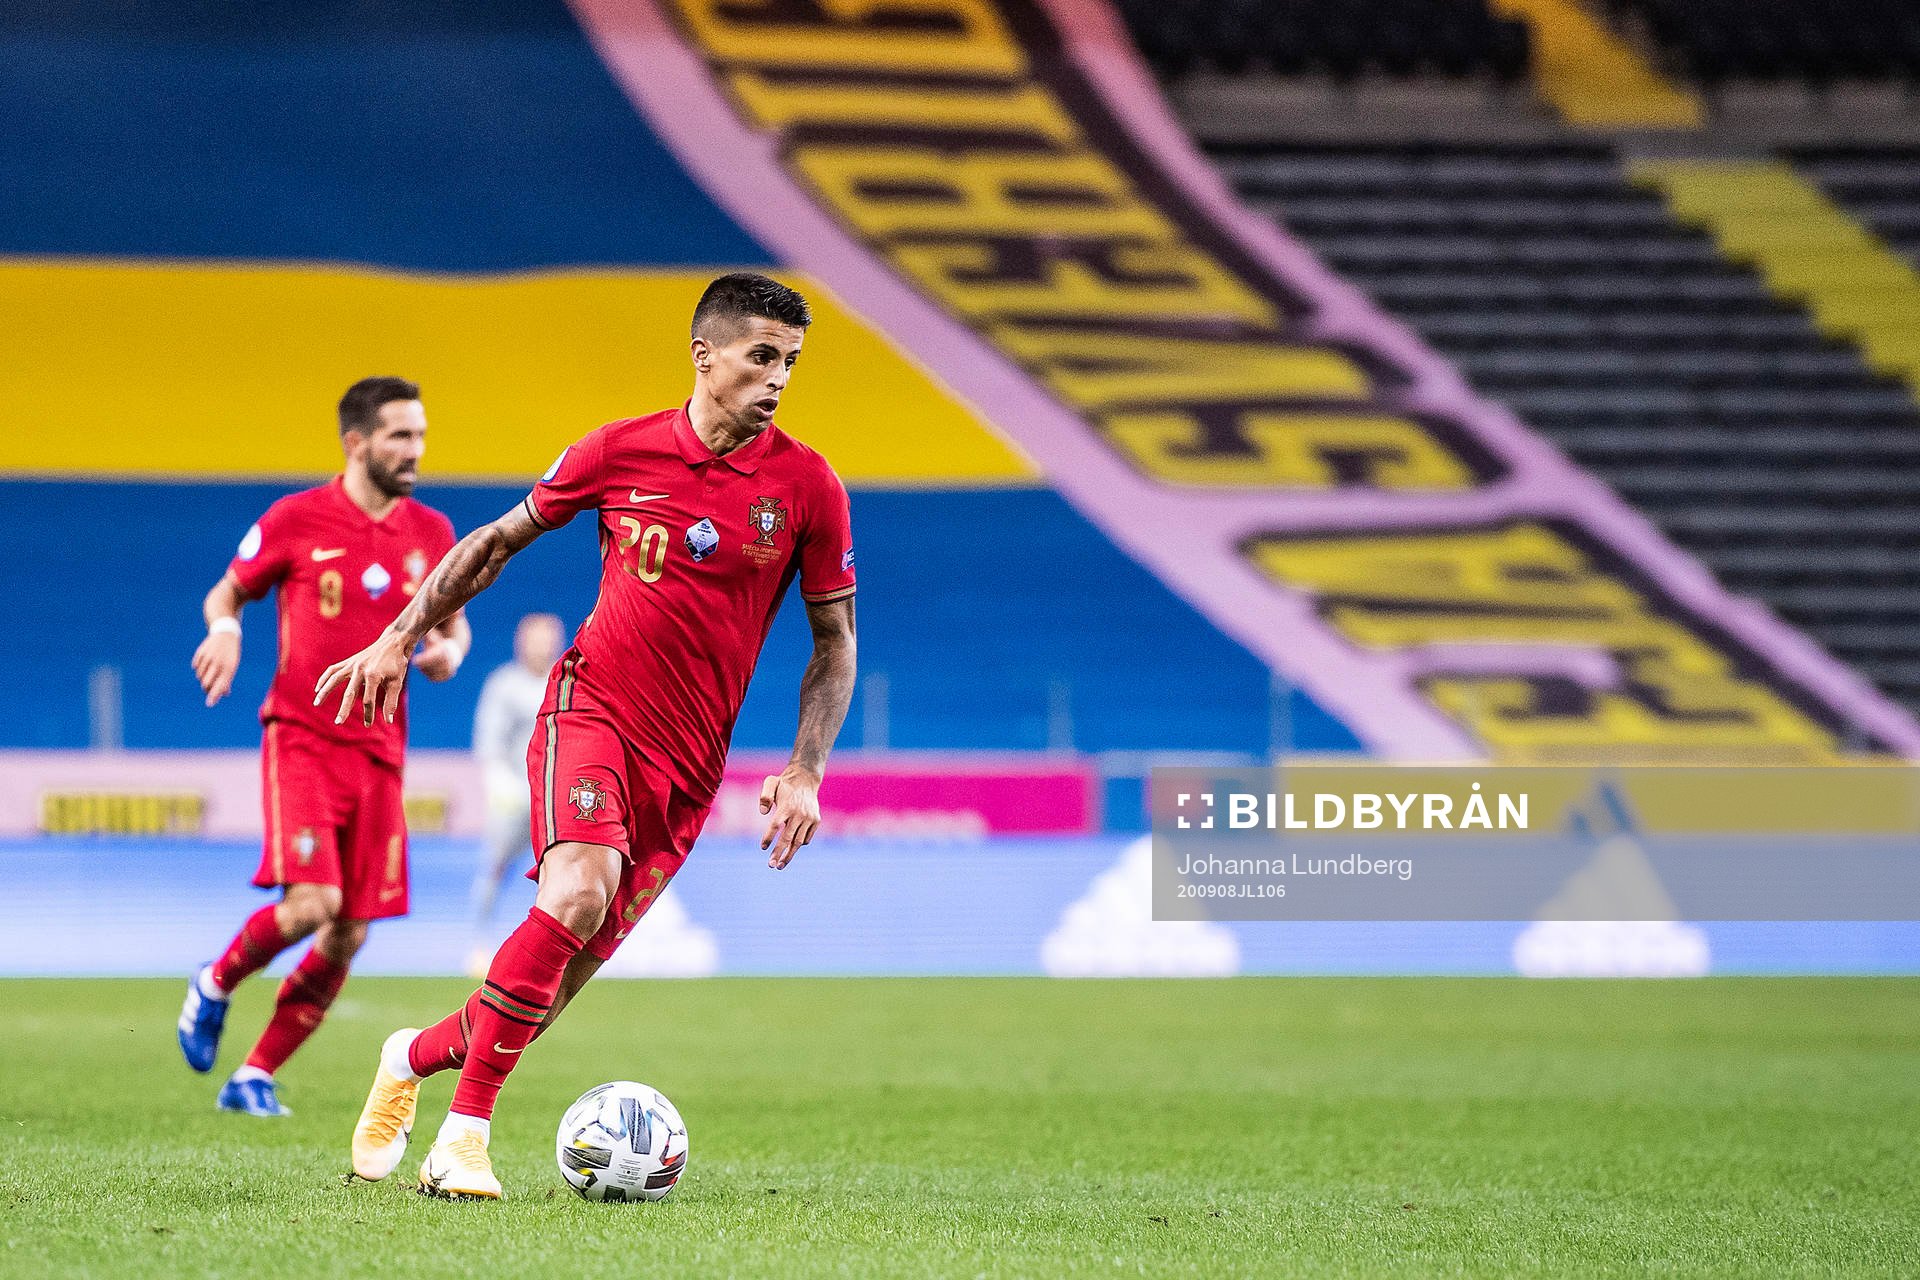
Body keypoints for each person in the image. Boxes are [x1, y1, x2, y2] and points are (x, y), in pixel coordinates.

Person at [320, 274, 858, 1199]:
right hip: (591, 712)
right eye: (761, 356)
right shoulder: (620, 450)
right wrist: (397, 639)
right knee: (576, 893)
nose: (777, 378)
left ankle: (409, 1056)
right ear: (706, 353)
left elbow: (835, 641)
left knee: (551, 986)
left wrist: (806, 769)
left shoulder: (806, 486)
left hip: (689, 770)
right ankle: (463, 1141)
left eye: (791, 363)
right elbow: (494, 543)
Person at [177, 376, 468, 1117]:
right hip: (304, 735)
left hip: (382, 750)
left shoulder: (432, 533)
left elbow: (454, 630)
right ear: (356, 442)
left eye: (421, 435)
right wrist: (225, 631)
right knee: (314, 903)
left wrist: (449, 654)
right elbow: (226, 591)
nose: (416, 451)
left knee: (350, 931)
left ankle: (254, 1076)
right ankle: (215, 981)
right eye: (400, 436)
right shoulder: (297, 517)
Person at [466, 612, 565, 976]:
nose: (543, 646)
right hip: (514, 797)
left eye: (549, 639)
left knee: (560, 873)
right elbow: (488, 741)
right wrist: (500, 784)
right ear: (521, 642)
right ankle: (479, 944)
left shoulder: (566, 679)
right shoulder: (504, 684)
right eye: (536, 639)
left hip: (555, 797)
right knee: (495, 868)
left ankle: (543, 953)